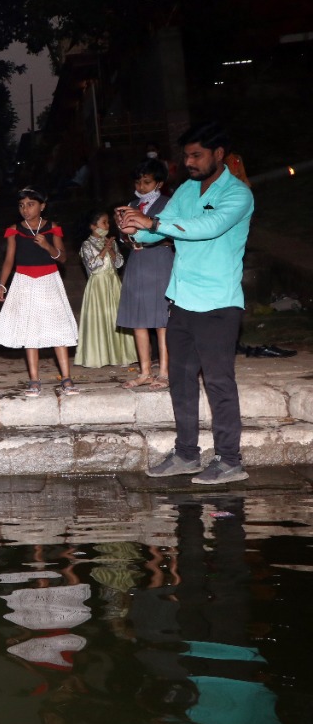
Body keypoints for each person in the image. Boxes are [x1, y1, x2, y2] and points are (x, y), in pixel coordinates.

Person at [119, 122, 255, 484]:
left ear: (219, 154)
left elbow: (206, 227)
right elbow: (162, 227)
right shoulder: (186, 190)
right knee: (180, 381)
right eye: (186, 155)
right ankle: (186, 454)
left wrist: (154, 222)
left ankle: (230, 460)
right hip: (181, 299)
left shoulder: (237, 195)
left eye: (197, 155)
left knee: (218, 383)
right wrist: (135, 228)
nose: (189, 162)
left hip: (218, 305)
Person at [0, 188, 79, 397]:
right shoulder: (14, 230)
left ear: (42, 206)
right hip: (24, 281)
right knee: (30, 331)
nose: (25, 209)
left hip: (49, 280)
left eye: (30, 204)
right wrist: (2, 284)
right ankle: (34, 380)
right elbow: (9, 260)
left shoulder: (52, 228)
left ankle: (66, 378)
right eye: (21, 205)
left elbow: (63, 258)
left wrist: (47, 246)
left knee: (58, 327)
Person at [117, 160, 174, 389]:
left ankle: (165, 372)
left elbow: (170, 233)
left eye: (147, 181)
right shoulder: (131, 204)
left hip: (159, 259)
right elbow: (125, 237)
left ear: (158, 183)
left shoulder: (168, 204)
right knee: (138, 320)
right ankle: (144, 371)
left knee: (162, 321)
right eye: (138, 181)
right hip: (137, 260)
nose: (141, 186)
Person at [75, 210, 136, 368]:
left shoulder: (111, 242)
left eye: (108, 222)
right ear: (93, 226)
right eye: (104, 222)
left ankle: (120, 355)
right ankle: (99, 356)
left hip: (112, 283)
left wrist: (111, 250)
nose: (107, 225)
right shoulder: (86, 245)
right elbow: (92, 266)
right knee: (100, 319)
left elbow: (119, 263)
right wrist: (104, 250)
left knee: (115, 317)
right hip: (98, 285)